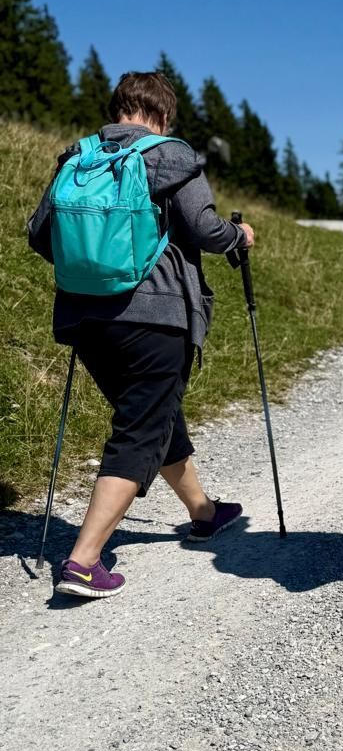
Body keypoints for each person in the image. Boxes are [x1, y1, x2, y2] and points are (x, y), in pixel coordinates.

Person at [27, 70, 253, 599]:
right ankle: (83, 562)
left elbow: (40, 233)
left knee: (152, 413)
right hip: (156, 317)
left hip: (85, 320)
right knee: (139, 429)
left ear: (116, 109)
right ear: (163, 114)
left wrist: (92, 271)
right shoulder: (171, 155)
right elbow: (203, 229)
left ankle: (202, 512)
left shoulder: (77, 159)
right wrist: (239, 235)